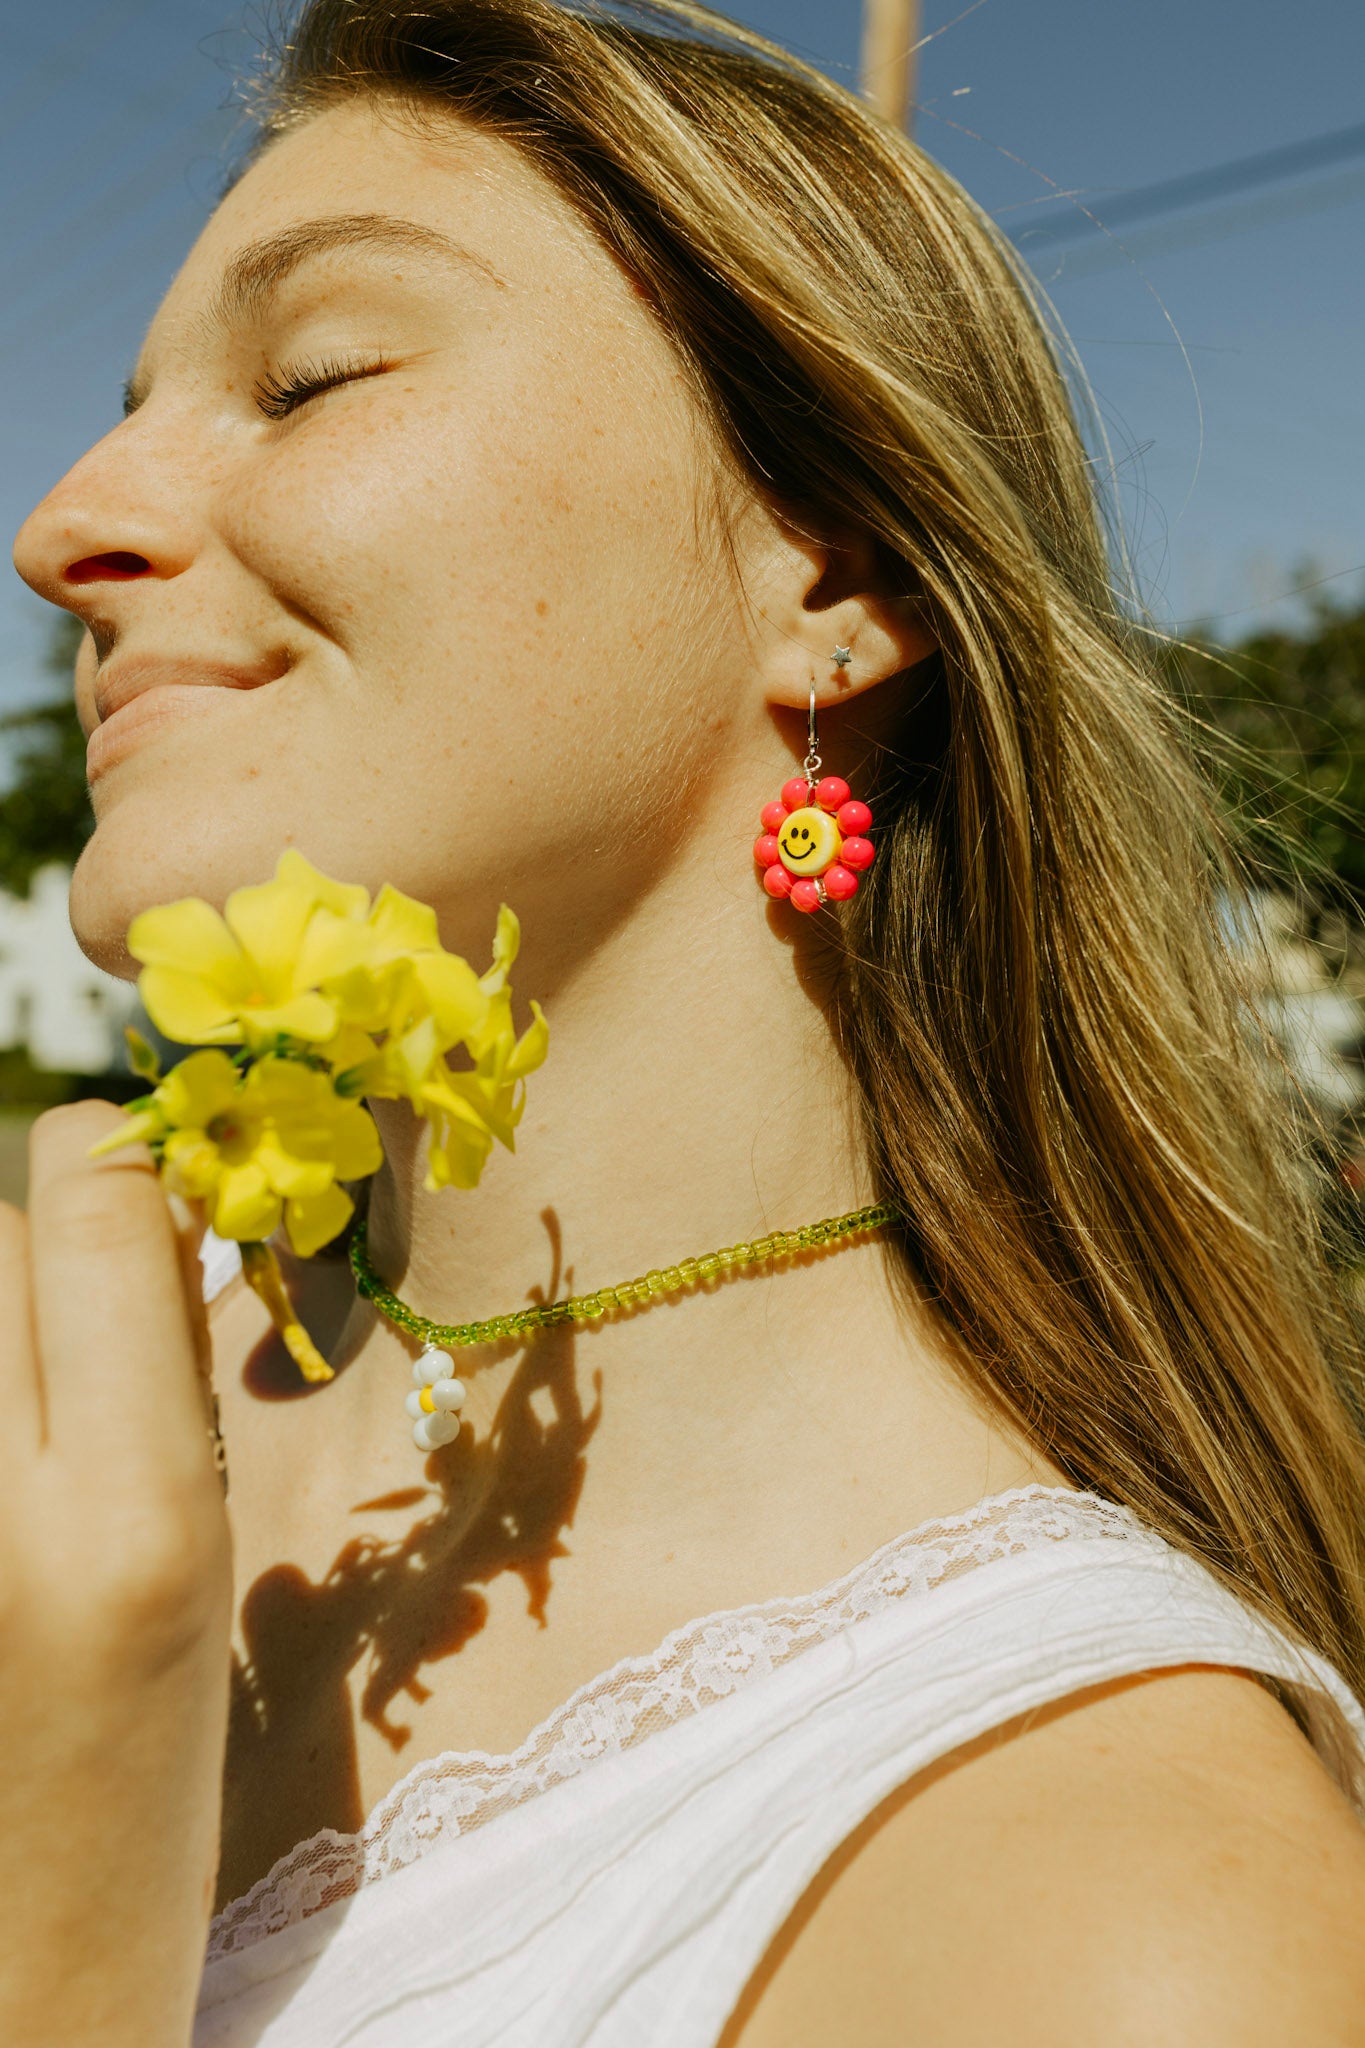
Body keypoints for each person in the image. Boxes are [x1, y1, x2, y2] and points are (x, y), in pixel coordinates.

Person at [9, 2, 1365, 2041]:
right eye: (128, 406)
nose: (64, 530)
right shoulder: (70, 1418)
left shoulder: (1128, 1917)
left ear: (833, 571)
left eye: (308, 380)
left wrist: (68, 1897)